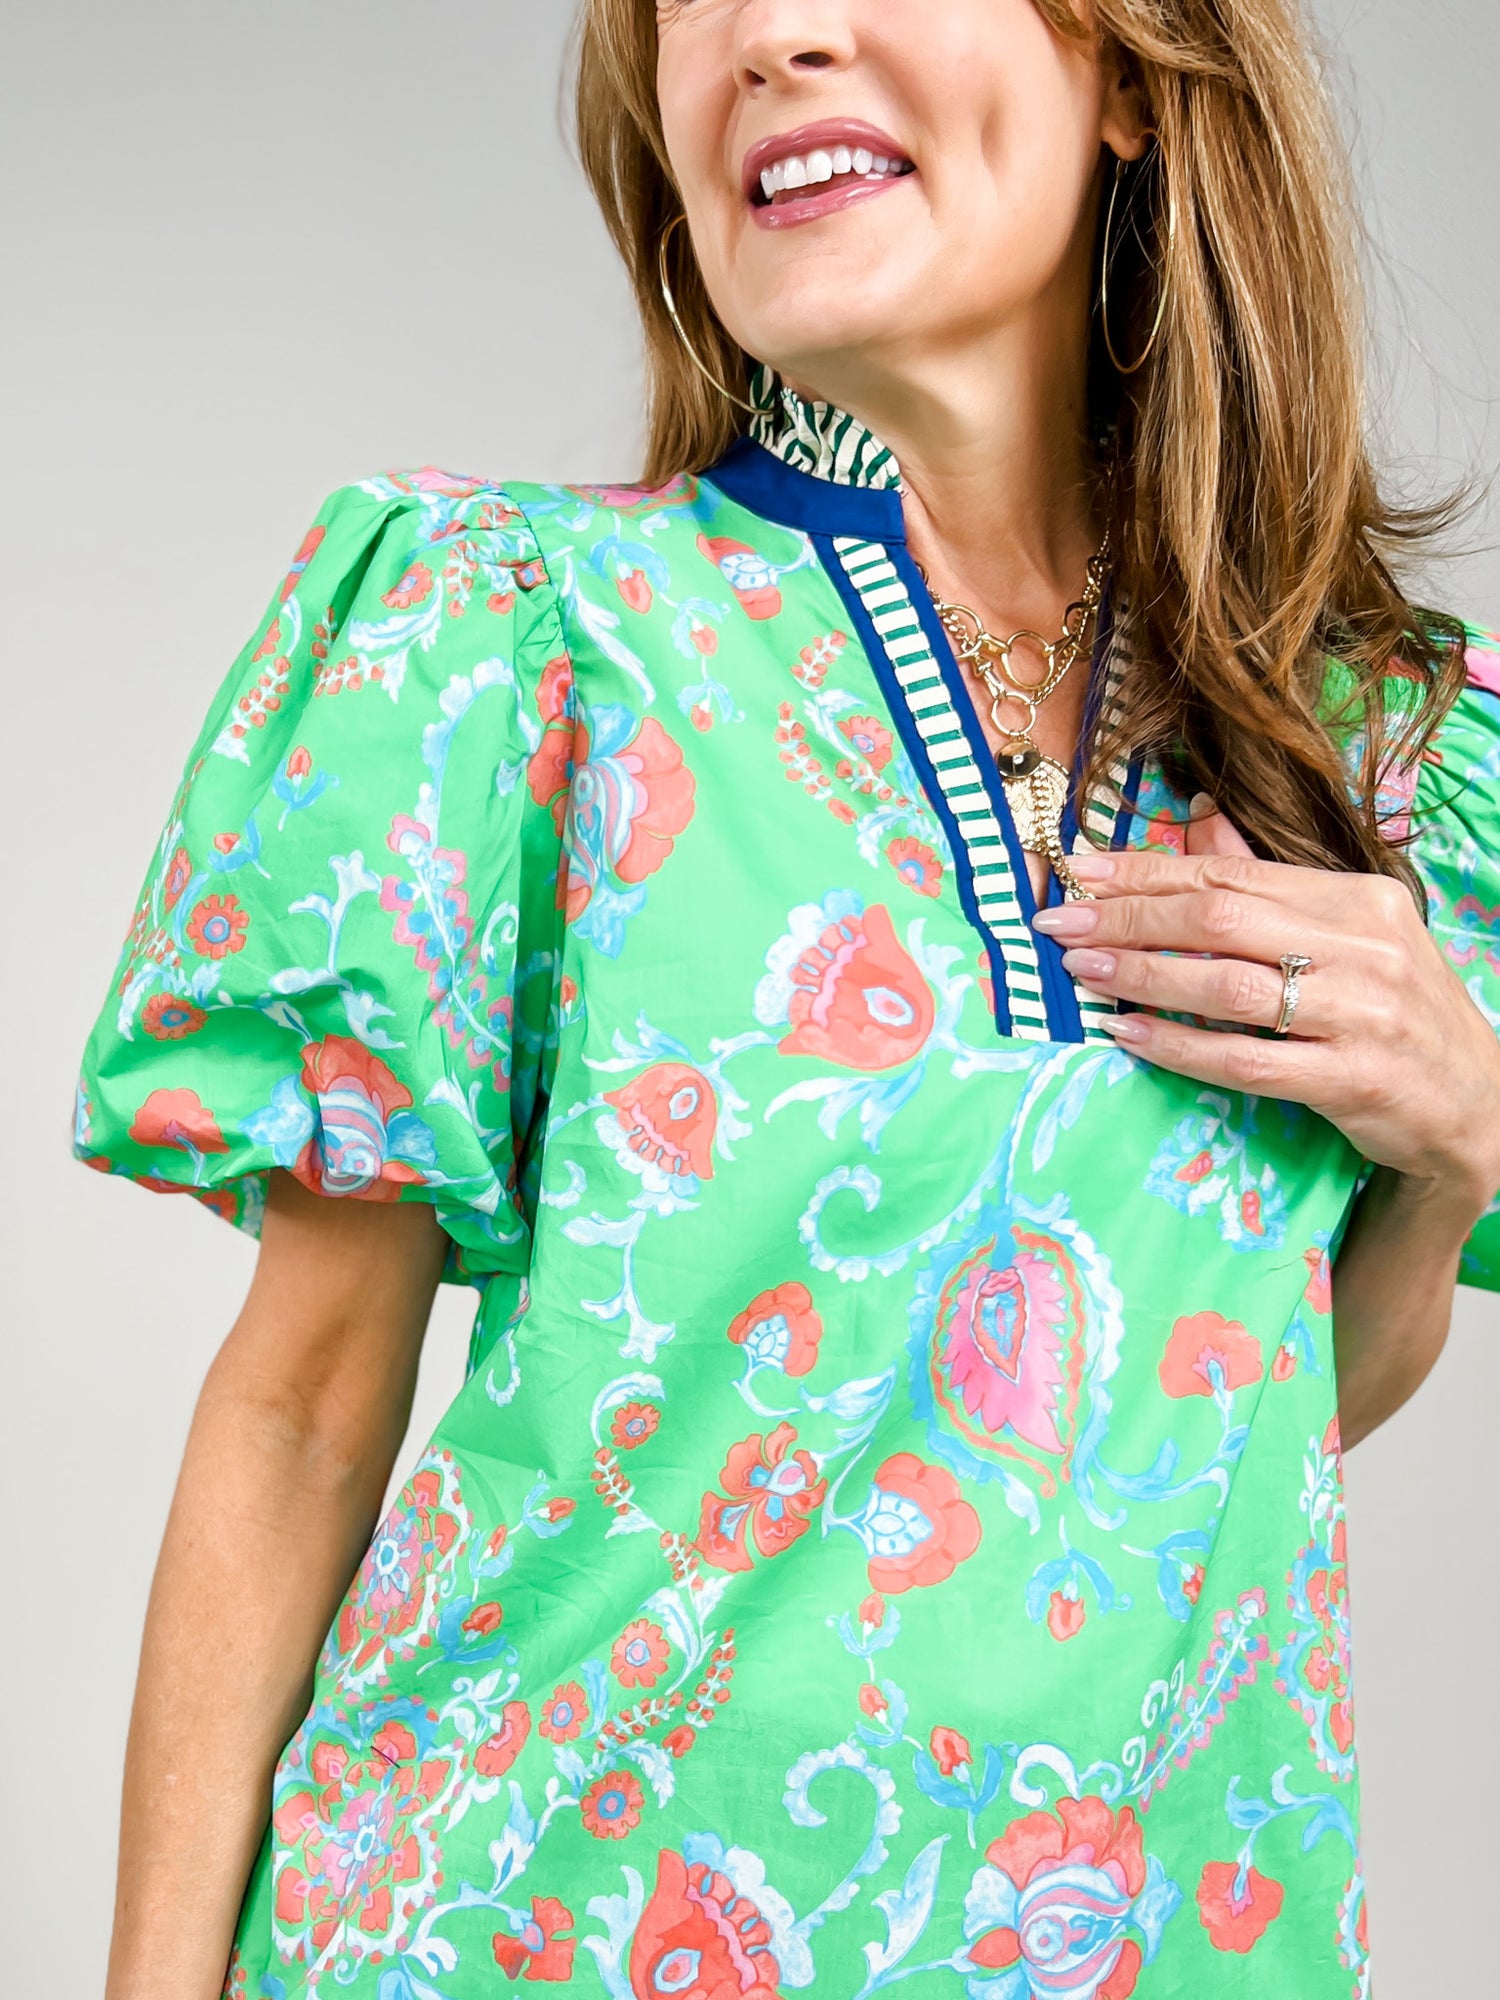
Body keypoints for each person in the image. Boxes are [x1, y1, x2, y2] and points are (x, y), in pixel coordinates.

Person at [74, 2, 1500, 1996]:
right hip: (512, 1933)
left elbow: (1249, 1407)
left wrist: (1455, 1141)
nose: (767, 36)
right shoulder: (520, 636)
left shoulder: (1368, 738)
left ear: (1128, 73)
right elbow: (305, 1406)